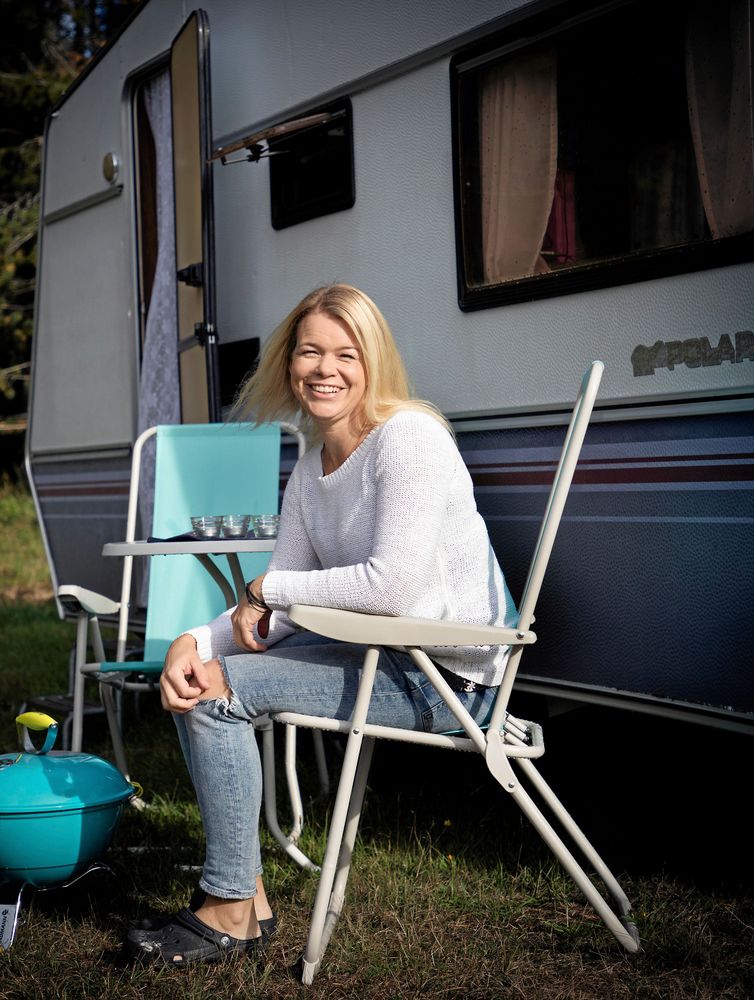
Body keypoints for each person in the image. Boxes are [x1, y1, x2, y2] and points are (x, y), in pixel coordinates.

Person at [127, 283, 517, 968]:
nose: (324, 368)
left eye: (345, 353)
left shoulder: (409, 439)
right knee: (201, 678)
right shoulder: (311, 469)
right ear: (288, 362)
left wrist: (265, 588)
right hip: (381, 653)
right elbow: (268, 614)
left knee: (219, 696)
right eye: (309, 351)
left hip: (449, 678)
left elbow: (388, 588)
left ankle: (227, 908)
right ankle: (242, 901)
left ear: (374, 365)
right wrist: (192, 639)